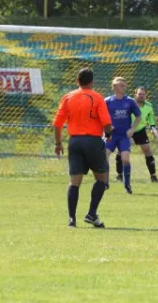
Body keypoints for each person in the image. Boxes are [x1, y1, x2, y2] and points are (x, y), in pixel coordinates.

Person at [53, 68, 113, 228]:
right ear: (92, 82)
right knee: (101, 178)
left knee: (74, 182)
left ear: (77, 81)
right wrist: (108, 136)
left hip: (75, 142)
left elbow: (57, 124)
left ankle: (72, 219)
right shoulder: (97, 97)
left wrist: (58, 143)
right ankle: (92, 214)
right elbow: (106, 123)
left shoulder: (68, 97)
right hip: (93, 141)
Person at [114, 87, 158, 183]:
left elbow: (150, 118)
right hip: (128, 130)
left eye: (143, 94)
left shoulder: (149, 106)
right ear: (135, 95)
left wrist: (153, 128)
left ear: (146, 95)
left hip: (140, 130)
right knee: (122, 152)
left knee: (148, 151)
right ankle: (119, 175)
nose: (141, 96)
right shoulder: (129, 103)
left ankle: (153, 176)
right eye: (139, 94)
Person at [105, 77, 141, 194]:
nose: (123, 88)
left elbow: (138, 117)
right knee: (104, 156)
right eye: (121, 85)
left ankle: (127, 185)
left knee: (125, 159)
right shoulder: (107, 101)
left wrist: (132, 129)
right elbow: (100, 117)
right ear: (114, 87)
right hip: (111, 135)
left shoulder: (130, 101)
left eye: (124, 85)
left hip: (123, 136)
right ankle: (104, 183)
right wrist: (108, 126)